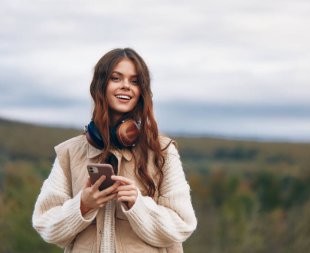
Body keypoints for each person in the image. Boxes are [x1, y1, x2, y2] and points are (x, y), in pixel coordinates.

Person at [32, 48, 197, 253]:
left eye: (135, 81)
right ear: (101, 86)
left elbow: (183, 225)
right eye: (116, 78)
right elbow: (45, 224)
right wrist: (83, 205)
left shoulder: (162, 151)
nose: (126, 86)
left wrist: (138, 205)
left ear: (141, 91)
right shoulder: (70, 152)